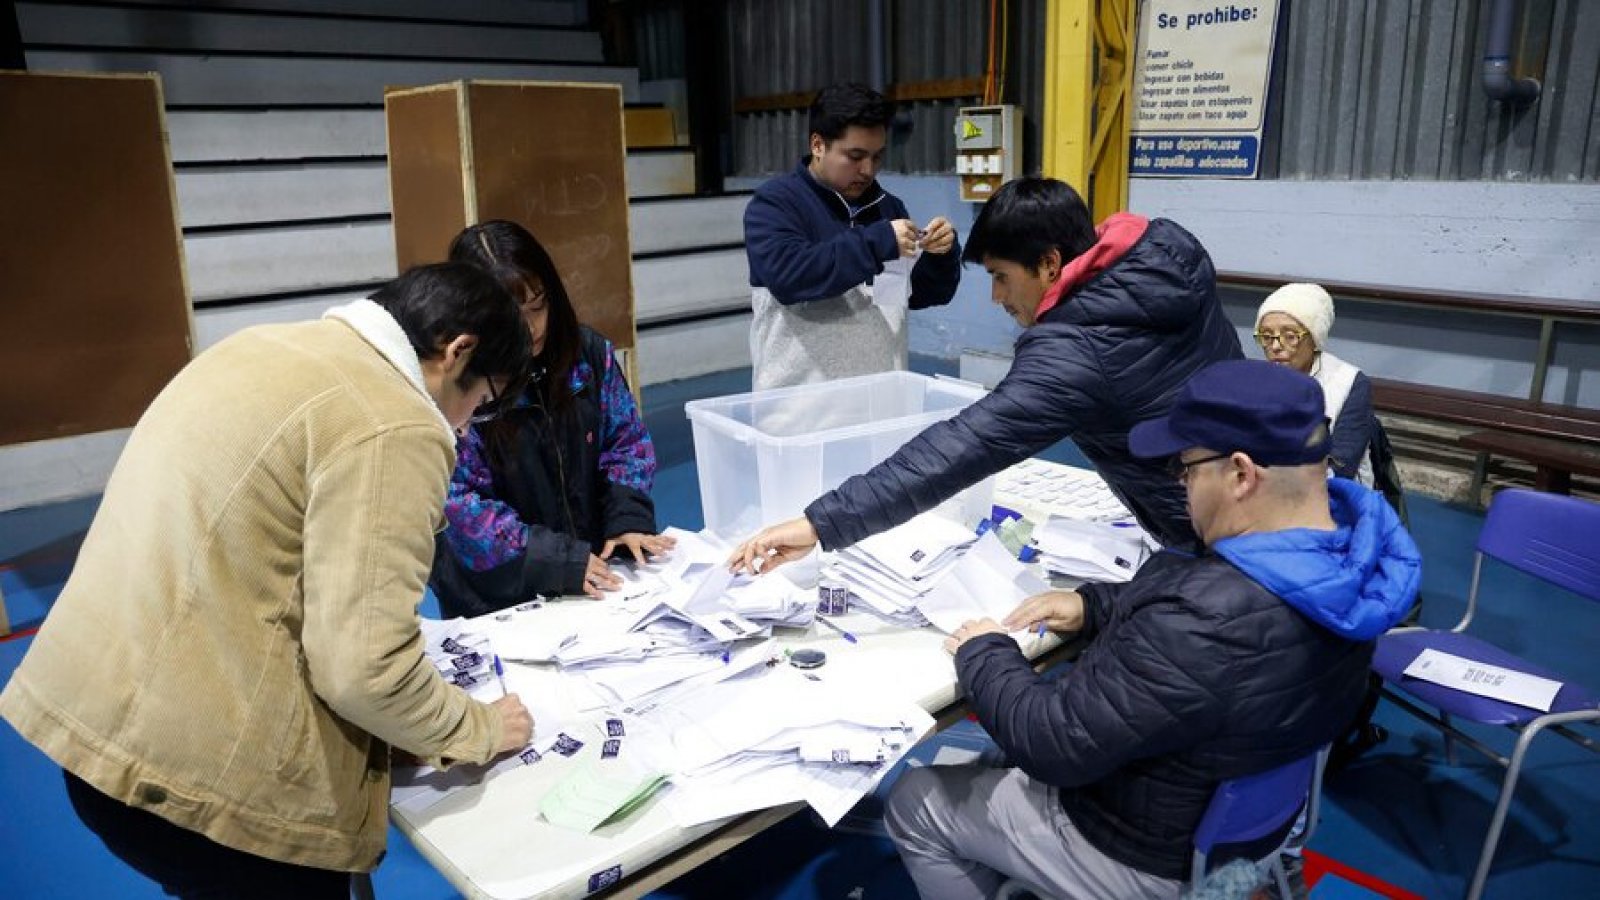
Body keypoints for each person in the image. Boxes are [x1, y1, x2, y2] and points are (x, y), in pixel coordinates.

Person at [0, 264, 537, 898]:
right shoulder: (396, 420)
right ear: (457, 353)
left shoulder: (260, 345)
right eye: (482, 400)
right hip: (202, 784)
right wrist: (475, 728)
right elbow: (365, 671)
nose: (468, 424)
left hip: (91, 727)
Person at [883, 360, 1422, 900]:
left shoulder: (1201, 622)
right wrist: (1093, 604)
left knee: (917, 801)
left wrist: (984, 652)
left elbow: (1052, 743)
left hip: (1144, 852)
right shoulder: (1354, 563)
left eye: (1187, 468)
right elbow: (1225, 621)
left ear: (1240, 474)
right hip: (1244, 828)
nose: (1182, 485)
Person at [731, 176, 1241, 571]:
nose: (997, 298)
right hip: (1267, 496)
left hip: (1215, 536)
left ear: (1049, 264)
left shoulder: (1078, 351)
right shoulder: (1165, 260)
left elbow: (963, 447)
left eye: (1001, 277)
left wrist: (819, 524)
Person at [427, 220, 673, 616]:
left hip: (590, 576)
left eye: (538, 306)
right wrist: (552, 559)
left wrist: (627, 515)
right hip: (498, 598)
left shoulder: (586, 355)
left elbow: (625, 439)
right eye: (512, 315)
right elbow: (457, 501)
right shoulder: (457, 382)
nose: (531, 327)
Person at [743, 81, 963, 390]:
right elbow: (789, 277)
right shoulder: (776, 204)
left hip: (880, 403)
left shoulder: (889, 208)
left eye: (877, 157)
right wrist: (877, 243)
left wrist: (942, 255)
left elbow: (917, 294)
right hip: (799, 412)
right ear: (818, 145)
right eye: (855, 156)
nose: (868, 170)